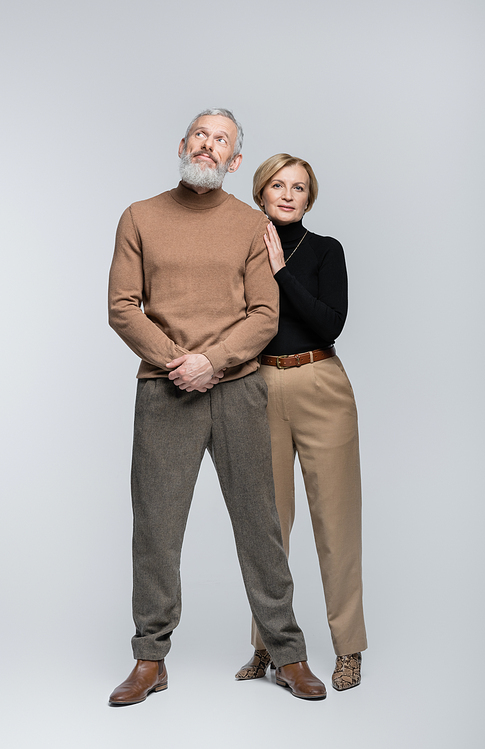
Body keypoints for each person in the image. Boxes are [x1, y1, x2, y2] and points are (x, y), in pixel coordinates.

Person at [107, 112, 326, 706]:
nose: (208, 144)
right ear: (183, 146)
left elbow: (265, 314)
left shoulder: (253, 225)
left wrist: (214, 363)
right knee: (155, 528)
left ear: (233, 161)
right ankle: (150, 658)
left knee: (259, 524)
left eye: (221, 140)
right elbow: (123, 306)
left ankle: (288, 653)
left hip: (237, 390)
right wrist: (179, 360)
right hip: (163, 390)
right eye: (200, 135)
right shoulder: (140, 217)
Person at [235, 154, 367, 691]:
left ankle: (349, 649)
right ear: (260, 192)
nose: (287, 195)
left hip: (320, 384)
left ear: (308, 199)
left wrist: (281, 273)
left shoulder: (324, 250)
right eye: (277, 185)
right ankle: (268, 648)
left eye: (299, 188)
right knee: (269, 528)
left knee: (336, 525)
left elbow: (329, 321)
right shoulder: (241, 251)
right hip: (257, 387)